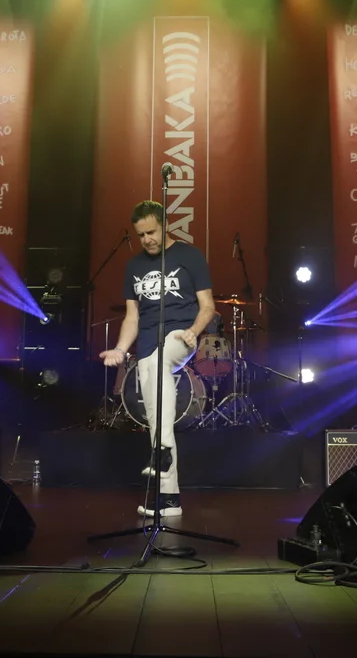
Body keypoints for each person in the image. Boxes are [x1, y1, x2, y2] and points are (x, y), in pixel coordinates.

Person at [100, 200, 216, 517]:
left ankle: (161, 452)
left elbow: (208, 306)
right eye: (141, 235)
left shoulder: (190, 256)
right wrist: (120, 350)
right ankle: (169, 498)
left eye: (151, 232)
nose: (147, 239)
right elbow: (132, 317)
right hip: (148, 346)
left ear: (165, 225)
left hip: (180, 336)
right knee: (155, 416)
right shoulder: (134, 266)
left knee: (159, 361)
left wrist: (194, 331)